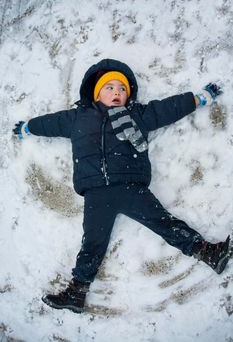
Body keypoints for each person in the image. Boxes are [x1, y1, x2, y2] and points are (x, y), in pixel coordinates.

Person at [13, 58, 232, 314]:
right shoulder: (78, 118)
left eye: (122, 89)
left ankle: (207, 252)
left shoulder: (137, 115)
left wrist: (197, 99)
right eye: (110, 87)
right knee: (92, 243)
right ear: (97, 92)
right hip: (96, 192)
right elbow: (51, 123)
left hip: (130, 186)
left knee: (163, 222)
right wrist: (29, 127)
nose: (117, 92)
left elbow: (166, 109)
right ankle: (76, 291)